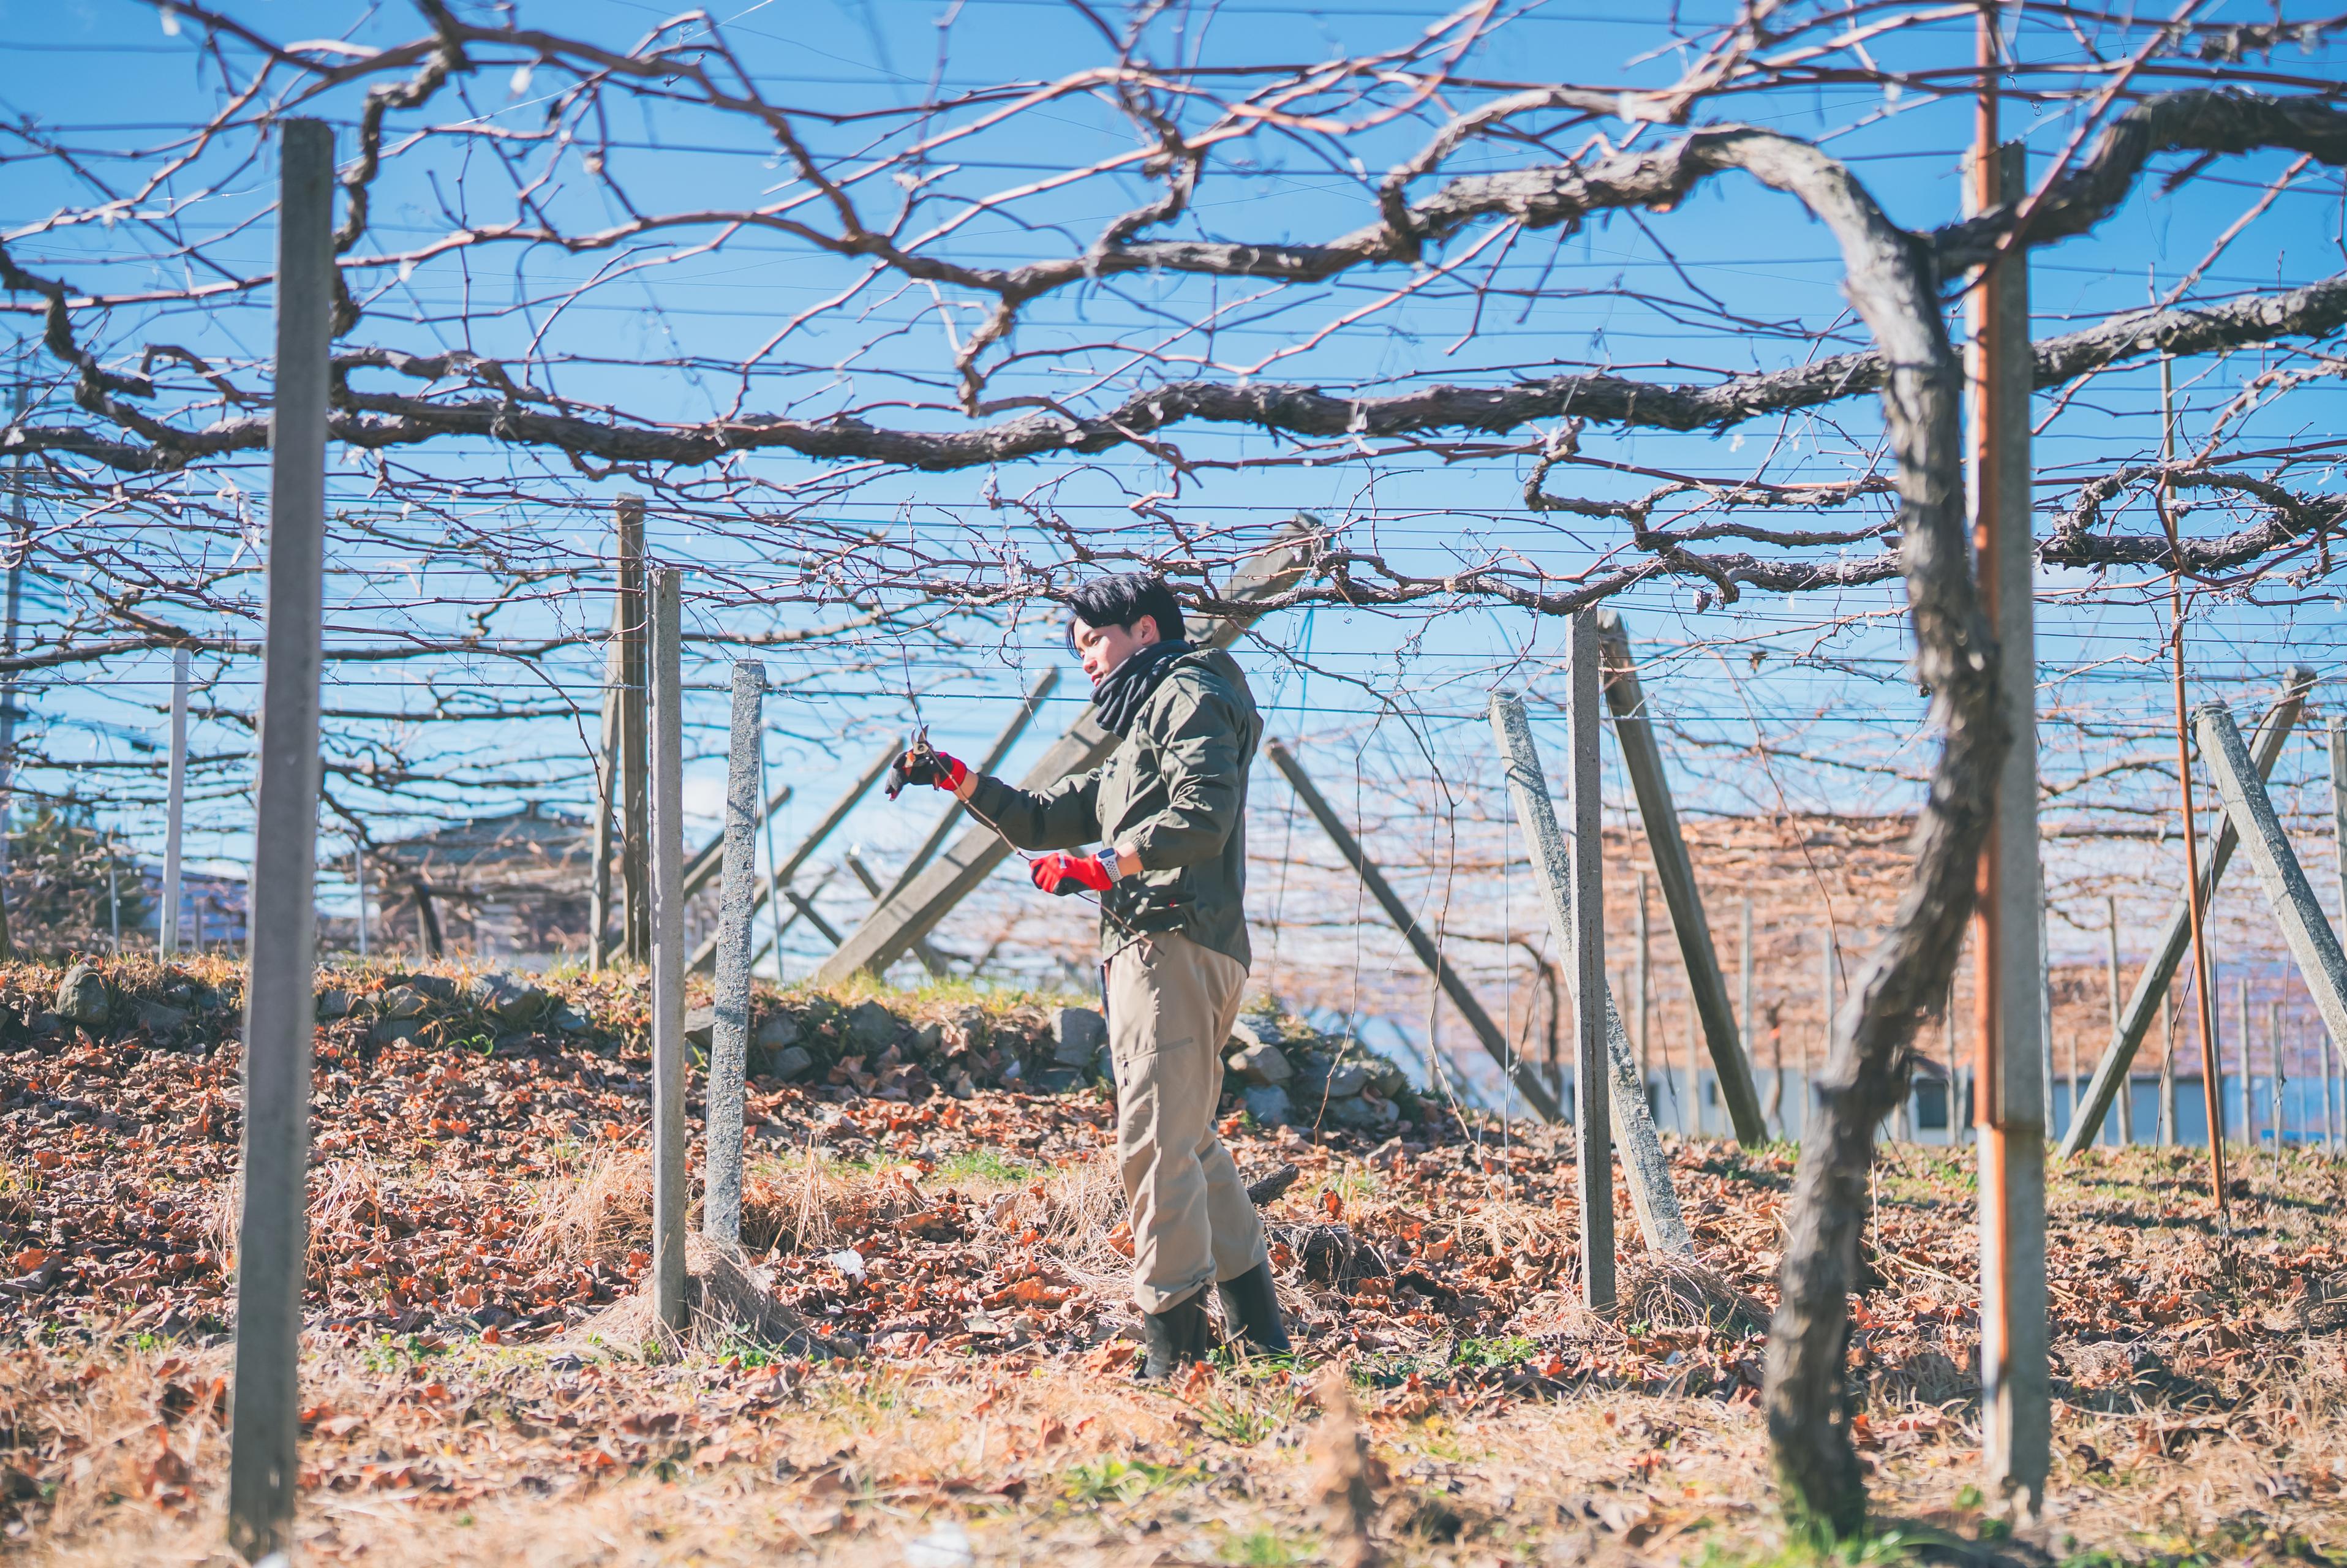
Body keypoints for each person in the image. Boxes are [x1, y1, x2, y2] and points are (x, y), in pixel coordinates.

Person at [888, 571, 1289, 1376]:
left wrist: (1109, 866)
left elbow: (1203, 813)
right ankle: (1261, 1336)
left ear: (1144, 630)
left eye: (1092, 643)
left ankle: (1173, 1350)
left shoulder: (1190, 692)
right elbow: (1044, 818)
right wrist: (959, 778)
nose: (1086, 663)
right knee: (1191, 1143)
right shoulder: (1146, 730)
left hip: (1168, 940)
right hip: (1168, 943)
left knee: (1152, 1146)